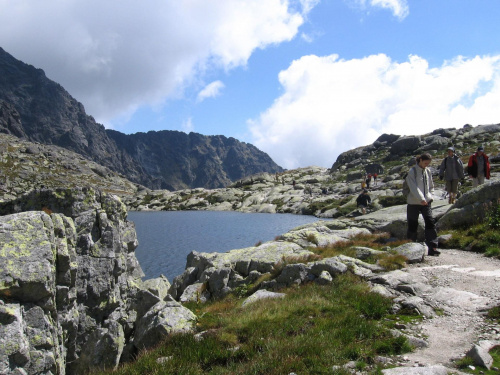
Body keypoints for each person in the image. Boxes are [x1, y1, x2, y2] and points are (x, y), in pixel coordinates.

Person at [406, 153, 440, 256]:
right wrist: (421, 198)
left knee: (430, 222)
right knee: (412, 224)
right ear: (420, 160)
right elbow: (413, 187)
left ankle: (432, 247)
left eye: (428, 163)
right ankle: (411, 248)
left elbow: (431, 186)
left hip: (426, 202)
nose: (426, 165)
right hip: (413, 202)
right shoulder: (412, 172)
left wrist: (431, 196)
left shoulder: (428, 171)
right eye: (425, 163)